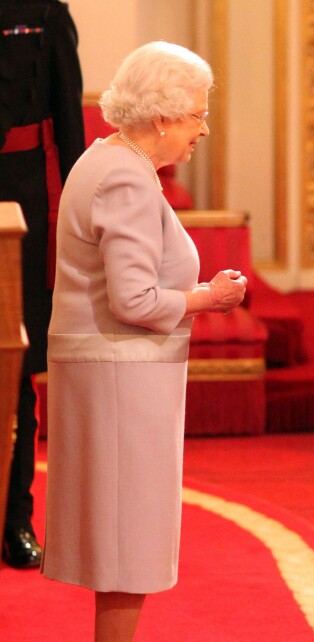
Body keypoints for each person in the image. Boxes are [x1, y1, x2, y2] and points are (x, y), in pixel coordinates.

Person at [41, 42, 247, 642]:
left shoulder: (111, 160)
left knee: (126, 527)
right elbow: (133, 297)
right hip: (120, 374)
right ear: (160, 117)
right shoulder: (127, 179)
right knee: (128, 530)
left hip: (118, 372)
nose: (202, 129)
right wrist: (207, 298)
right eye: (197, 115)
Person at [0, 0, 85, 568]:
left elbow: (69, 123)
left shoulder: (43, 10)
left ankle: (15, 520)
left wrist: (85, 212)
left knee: (15, 362)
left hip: (18, 194)